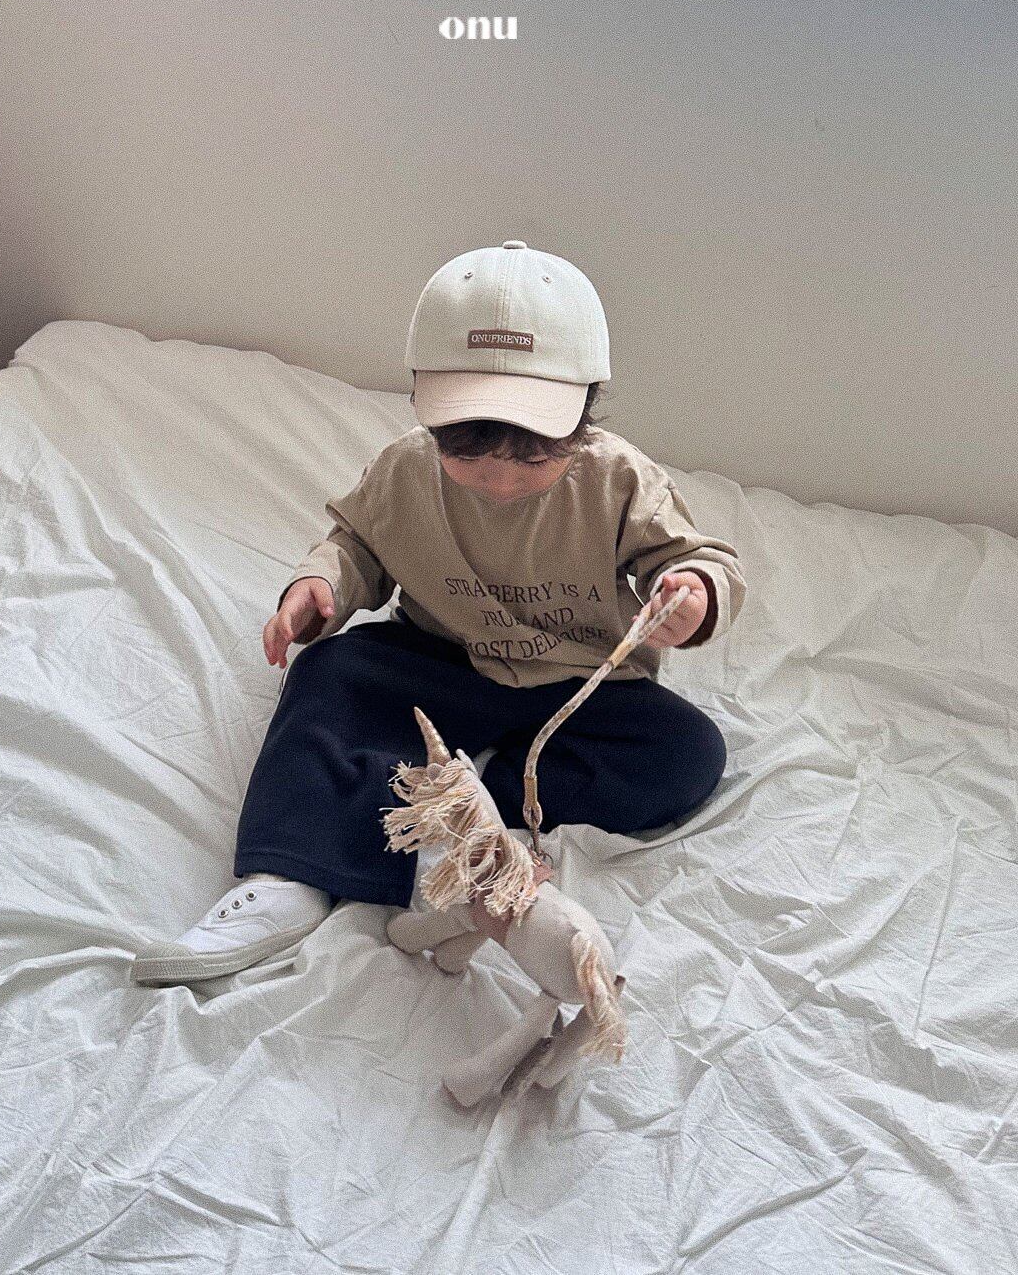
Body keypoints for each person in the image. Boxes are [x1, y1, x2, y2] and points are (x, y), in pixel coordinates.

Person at [131, 239, 747, 986]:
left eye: (533, 457)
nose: (499, 482)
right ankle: (290, 872)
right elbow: (357, 542)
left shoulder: (619, 479)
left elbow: (696, 556)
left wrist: (692, 592)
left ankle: (479, 807)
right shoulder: (406, 470)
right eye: (467, 453)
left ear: (586, 409)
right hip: (443, 660)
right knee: (333, 672)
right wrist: (321, 590)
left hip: (581, 682)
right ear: (426, 405)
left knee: (687, 754)